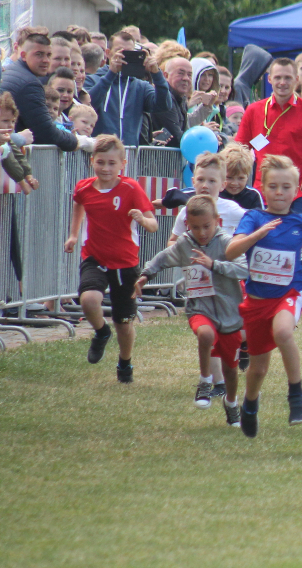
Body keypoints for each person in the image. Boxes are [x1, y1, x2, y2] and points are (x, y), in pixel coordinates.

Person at [226, 155, 302, 438]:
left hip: (290, 291)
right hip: (257, 299)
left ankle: (297, 395)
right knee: (258, 368)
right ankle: (250, 403)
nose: (279, 193)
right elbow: (231, 251)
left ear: (296, 189)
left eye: (286, 187)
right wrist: (256, 234)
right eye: (273, 186)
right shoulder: (253, 217)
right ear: (262, 187)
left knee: (283, 331)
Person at [136, 195, 248, 423]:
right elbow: (163, 258)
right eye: (196, 227)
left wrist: (214, 265)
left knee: (230, 370)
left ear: (217, 221)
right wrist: (145, 275)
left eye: (207, 226)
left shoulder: (227, 242)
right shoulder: (185, 244)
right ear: (188, 225)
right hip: (200, 308)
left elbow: (244, 270)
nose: (202, 232)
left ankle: (232, 402)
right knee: (205, 334)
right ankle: (205, 381)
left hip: (229, 315)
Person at [63, 135, 159, 384]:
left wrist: (142, 219)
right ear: (92, 161)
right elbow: (79, 205)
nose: (105, 168)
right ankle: (101, 332)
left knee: (124, 322)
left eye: (111, 163)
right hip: (95, 257)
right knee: (89, 299)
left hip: (125, 263)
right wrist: (74, 235)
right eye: (101, 162)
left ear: (122, 165)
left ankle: (125, 362)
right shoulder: (84, 187)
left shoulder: (130, 189)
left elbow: (153, 225)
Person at [234, 58, 302, 215]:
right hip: (264, 191)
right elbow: (238, 151)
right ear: (269, 79)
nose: (282, 82)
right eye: (278, 77)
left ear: (296, 80)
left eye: (288, 78)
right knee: (265, 238)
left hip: (298, 192)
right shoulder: (254, 110)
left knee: (296, 238)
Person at [87, 31, 171, 145]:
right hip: (98, 154)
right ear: (108, 53)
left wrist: (156, 74)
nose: (124, 56)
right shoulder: (92, 79)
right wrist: (111, 74)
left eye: (129, 53)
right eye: (120, 51)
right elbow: (87, 105)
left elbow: (164, 105)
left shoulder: (140, 86)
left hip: (128, 157)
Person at [0, 32, 81, 150]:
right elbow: (45, 132)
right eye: (39, 55)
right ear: (23, 55)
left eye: (49, 55)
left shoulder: (13, 71)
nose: (45, 60)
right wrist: (73, 141)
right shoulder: (29, 84)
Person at [150, 56, 192, 147]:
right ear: (166, 75)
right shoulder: (164, 97)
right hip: (157, 158)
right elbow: (177, 138)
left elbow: (185, 132)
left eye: (189, 75)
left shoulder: (182, 98)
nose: (186, 78)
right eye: (180, 73)